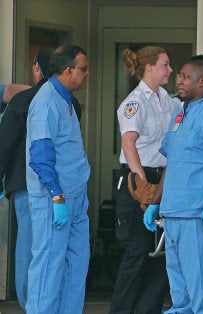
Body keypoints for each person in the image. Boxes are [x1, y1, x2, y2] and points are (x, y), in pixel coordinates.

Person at [142, 56, 203, 313]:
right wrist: (154, 203)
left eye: (185, 76)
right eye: (179, 76)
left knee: (202, 282)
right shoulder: (179, 115)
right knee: (179, 284)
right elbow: (172, 164)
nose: (179, 81)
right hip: (173, 210)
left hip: (198, 211)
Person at [0, 47, 81, 311]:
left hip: (34, 187)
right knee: (47, 254)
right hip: (47, 187)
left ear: (38, 68)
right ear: (63, 70)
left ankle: (31, 305)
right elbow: (41, 151)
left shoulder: (28, 100)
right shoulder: (54, 101)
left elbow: (5, 145)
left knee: (35, 252)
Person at [109, 46, 179, 314]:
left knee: (160, 256)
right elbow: (129, 144)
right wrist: (142, 184)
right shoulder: (134, 101)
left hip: (163, 180)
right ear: (149, 67)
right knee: (137, 253)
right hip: (138, 180)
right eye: (165, 64)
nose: (170, 70)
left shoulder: (168, 100)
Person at [25, 44, 90, 313]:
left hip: (75, 196)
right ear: (67, 70)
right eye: (83, 69)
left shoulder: (66, 100)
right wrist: (57, 195)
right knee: (49, 264)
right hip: (55, 198)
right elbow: (40, 155)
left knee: (77, 264)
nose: (87, 74)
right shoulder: (46, 102)